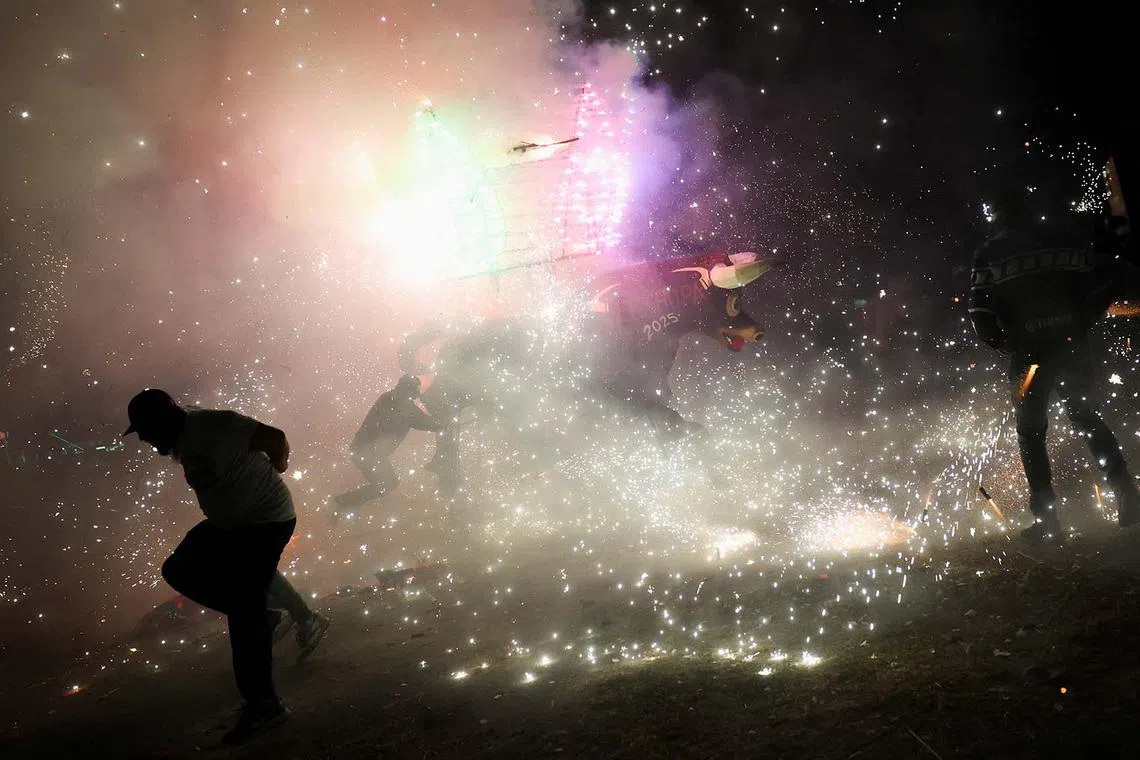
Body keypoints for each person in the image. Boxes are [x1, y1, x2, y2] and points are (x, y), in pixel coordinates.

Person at [122, 389, 329, 743]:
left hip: (265, 522)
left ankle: (265, 705)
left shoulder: (214, 425)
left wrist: (275, 472)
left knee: (244, 607)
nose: (144, 439)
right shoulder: (184, 435)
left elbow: (275, 438)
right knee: (178, 569)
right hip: (230, 525)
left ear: (164, 421)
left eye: (146, 430)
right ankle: (263, 615)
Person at [968, 189, 1140, 544]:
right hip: (1071, 346)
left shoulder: (990, 253)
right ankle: (1127, 496)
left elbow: (979, 310)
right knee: (1087, 419)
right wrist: (1083, 320)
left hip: (1029, 355)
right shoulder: (1062, 240)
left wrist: (999, 341)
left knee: (1031, 434)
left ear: (997, 215)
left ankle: (1048, 522)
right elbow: (1101, 281)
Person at [336, 375, 441, 510]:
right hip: (367, 453)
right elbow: (427, 423)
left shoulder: (391, 399)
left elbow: (425, 422)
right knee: (387, 484)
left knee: (387, 484)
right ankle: (344, 502)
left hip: (365, 451)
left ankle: (347, 503)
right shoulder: (401, 406)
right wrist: (444, 422)